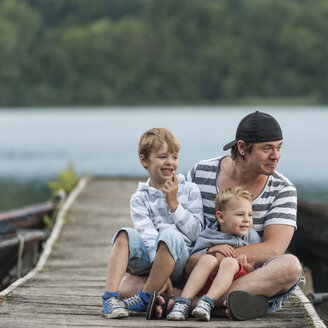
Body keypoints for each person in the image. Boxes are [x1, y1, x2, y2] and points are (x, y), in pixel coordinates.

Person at [158, 110, 302, 320]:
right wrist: (171, 265)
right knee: (128, 286)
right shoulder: (201, 171)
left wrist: (217, 255)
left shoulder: (283, 189)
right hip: (196, 267)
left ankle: (189, 303)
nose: (276, 155)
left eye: (279, 147)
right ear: (242, 147)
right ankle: (222, 303)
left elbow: (273, 249)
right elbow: (176, 222)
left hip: (246, 273)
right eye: (267, 148)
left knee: (290, 266)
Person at [101, 128, 204, 319]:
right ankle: (109, 299)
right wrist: (159, 273)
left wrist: (174, 204)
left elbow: (196, 233)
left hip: (179, 260)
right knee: (124, 234)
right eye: (162, 156)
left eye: (174, 156)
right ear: (144, 161)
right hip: (151, 259)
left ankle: (146, 296)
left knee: (169, 235)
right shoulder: (139, 198)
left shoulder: (189, 190)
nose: (170, 162)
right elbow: (147, 234)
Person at [166, 186, 261, 321]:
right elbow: (192, 261)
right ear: (221, 217)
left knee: (229, 262)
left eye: (249, 215)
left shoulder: (252, 238)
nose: (247, 219)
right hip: (205, 283)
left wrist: (249, 270)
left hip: (233, 284)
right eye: (240, 214)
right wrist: (212, 250)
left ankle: (207, 303)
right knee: (208, 259)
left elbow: (259, 269)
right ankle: (182, 303)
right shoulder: (208, 235)